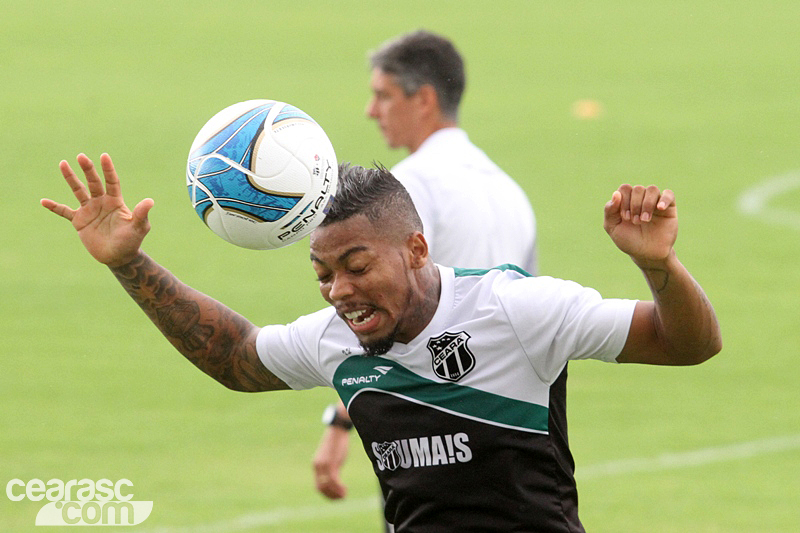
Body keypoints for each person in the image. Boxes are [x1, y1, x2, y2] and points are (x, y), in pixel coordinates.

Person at [42, 154, 722, 532]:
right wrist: (129, 264)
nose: (339, 290)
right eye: (323, 274)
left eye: (357, 266)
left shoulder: (515, 307)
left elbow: (688, 342)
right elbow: (239, 359)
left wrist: (659, 266)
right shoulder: (339, 339)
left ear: (417, 249)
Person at [313, 29, 538, 503]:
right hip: (514, 431)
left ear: (424, 100)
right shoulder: (509, 190)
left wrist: (339, 420)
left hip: (433, 434)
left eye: (383, 95)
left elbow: (387, 306)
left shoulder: (406, 190)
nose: (372, 111)